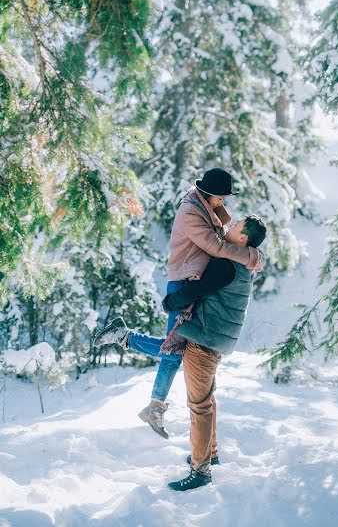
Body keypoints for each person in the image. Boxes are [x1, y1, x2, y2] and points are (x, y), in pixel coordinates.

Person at [93, 214, 267, 492]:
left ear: (243, 238)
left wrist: (174, 299)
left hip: (205, 338)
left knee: (199, 406)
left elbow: (198, 289)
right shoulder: (243, 260)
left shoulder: (228, 264)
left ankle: (201, 471)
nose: (229, 227)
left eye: (235, 227)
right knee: (202, 395)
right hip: (211, 337)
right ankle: (209, 454)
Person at [136, 168, 262, 438]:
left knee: (174, 347)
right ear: (210, 195)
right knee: (172, 349)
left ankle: (154, 403)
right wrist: (249, 255)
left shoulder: (202, 206)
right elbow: (216, 247)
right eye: (221, 198)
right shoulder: (191, 212)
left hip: (191, 279)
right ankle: (152, 401)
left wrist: (220, 213)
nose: (224, 203)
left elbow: (221, 234)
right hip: (183, 281)